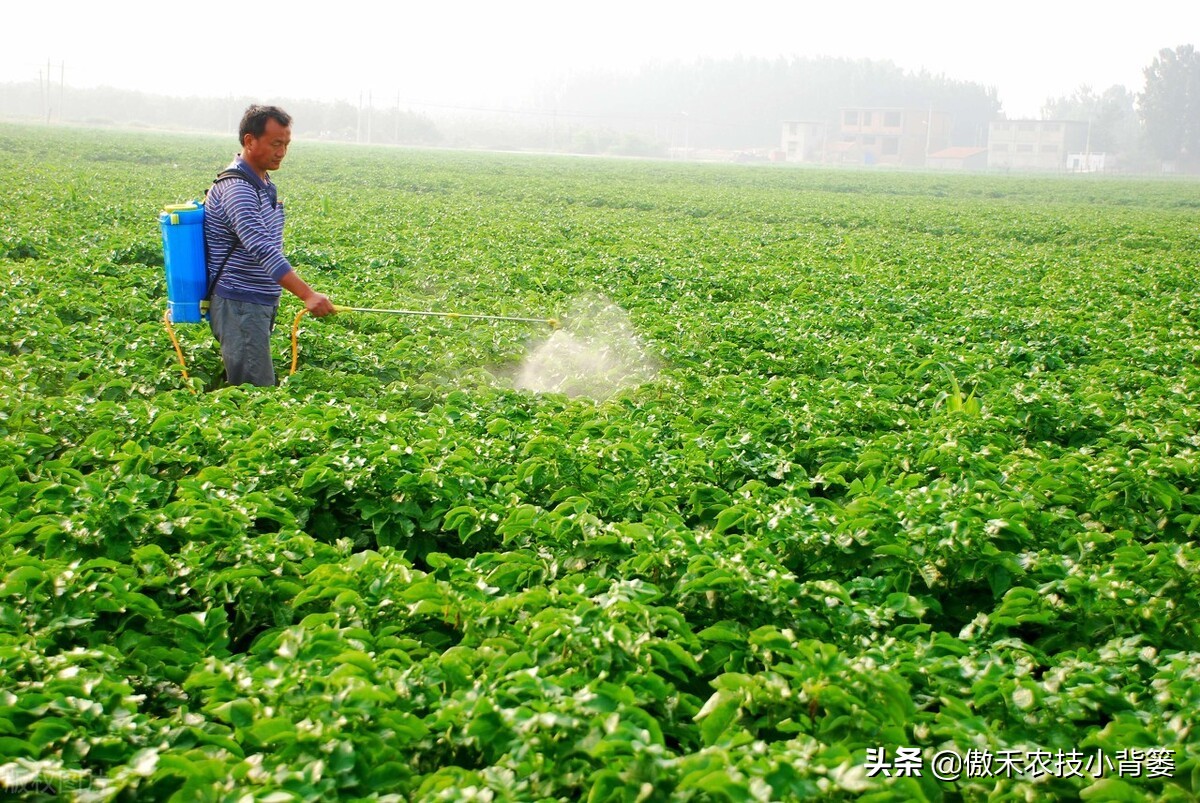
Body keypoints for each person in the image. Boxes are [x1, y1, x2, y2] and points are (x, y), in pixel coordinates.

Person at [204, 104, 335, 386]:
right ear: (250, 141)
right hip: (239, 302)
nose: (282, 152)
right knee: (254, 392)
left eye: (286, 144)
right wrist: (307, 294)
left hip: (255, 301)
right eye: (276, 143)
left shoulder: (262, 182)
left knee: (249, 382)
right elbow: (262, 247)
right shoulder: (237, 189)